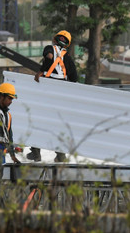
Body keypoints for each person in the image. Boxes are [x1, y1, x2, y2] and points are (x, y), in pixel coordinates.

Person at [30, 30, 78, 162]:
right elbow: (74, 78)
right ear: (67, 44)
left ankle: (35, 152)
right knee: (58, 123)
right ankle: (61, 155)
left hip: (47, 88)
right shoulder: (67, 57)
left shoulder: (49, 48)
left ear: (55, 39)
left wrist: (41, 71)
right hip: (60, 92)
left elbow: (50, 56)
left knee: (38, 119)